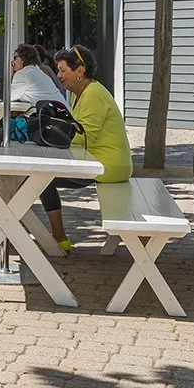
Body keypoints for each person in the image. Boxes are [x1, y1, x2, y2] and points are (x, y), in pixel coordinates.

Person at [43, 44, 132, 251]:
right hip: (97, 161)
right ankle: (55, 236)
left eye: (63, 70)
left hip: (107, 166)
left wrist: (53, 136)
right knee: (41, 178)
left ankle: (58, 238)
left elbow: (84, 138)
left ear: (80, 71)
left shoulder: (93, 94)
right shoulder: (78, 93)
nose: (59, 75)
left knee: (41, 178)